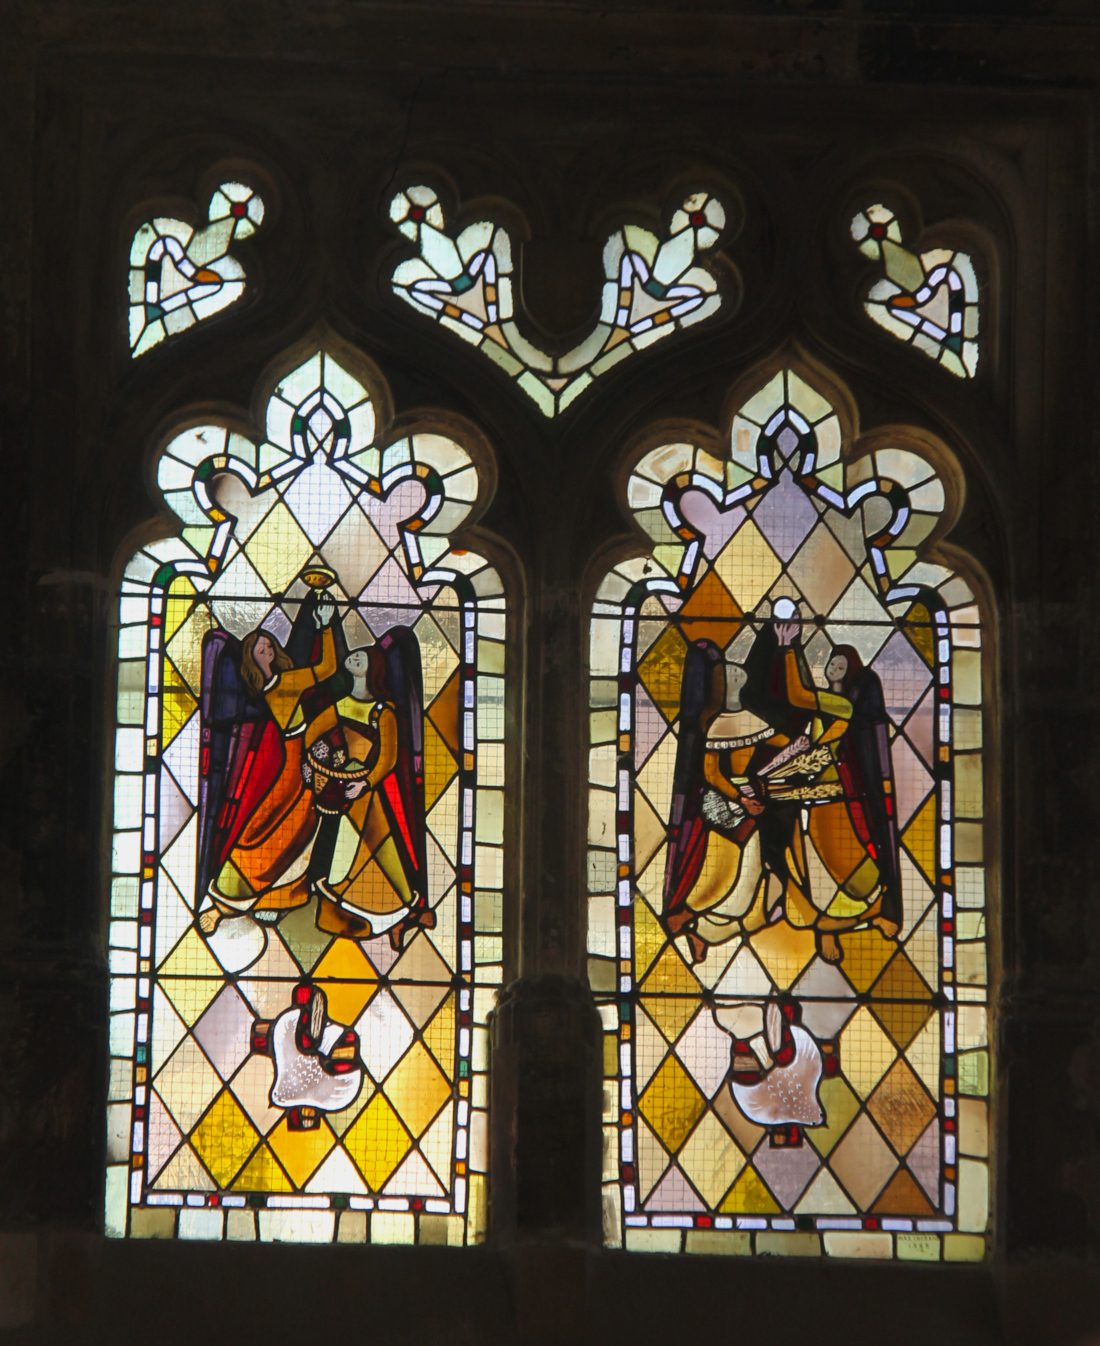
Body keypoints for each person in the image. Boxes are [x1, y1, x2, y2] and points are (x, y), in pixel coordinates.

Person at [195, 592, 339, 968]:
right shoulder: (265, 691)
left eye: (270, 646)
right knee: (257, 836)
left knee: (294, 835)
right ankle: (222, 904)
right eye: (260, 649)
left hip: (296, 763)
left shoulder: (289, 681)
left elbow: (327, 668)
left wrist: (325, 627)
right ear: (250, 659)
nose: (267, 650)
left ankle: (273, 900)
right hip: (279, 766)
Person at [307, 627, 432, 950]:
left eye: (363, 656)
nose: (356, 656)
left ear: (374, 668)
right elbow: (315, 733)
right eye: (355, 654)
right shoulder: (340, 704)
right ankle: (358, 915)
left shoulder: (383, 711)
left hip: (368, 795)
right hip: (340, 788)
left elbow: (388, 757)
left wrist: (365, 782)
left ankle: (397, 915)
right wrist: (312, 760)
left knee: (380, 855)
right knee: (341, 858)